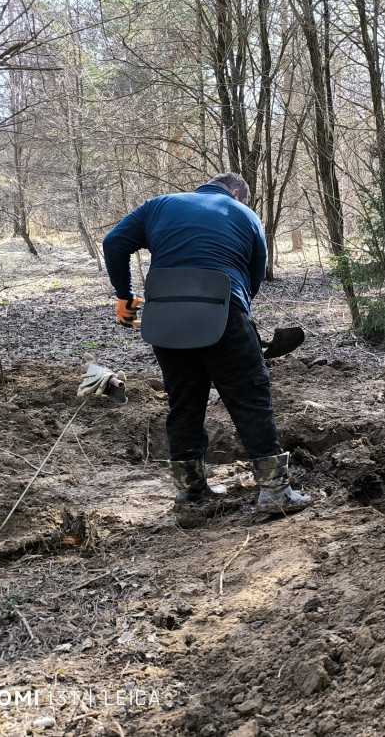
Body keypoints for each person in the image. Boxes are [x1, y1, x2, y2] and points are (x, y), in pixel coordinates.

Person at [102, 172, 311, 515]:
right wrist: (240, 313)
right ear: (236, 193)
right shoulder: (244, 214)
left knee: (184, 400)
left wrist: (125, 295)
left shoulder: (158, 205)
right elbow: (255, 272)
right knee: (249, 395)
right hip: (222, 308)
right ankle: (275, 491)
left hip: (164, 314)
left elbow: (114, 243)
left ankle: (190, 493)